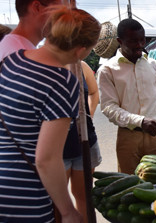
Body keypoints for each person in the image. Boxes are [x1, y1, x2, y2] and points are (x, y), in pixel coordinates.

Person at [0, 5, 100, 222]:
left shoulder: (12, 60)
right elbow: (46, 158)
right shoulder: (62, 81)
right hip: (24, 195)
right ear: (81, 50)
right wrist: (67, 211)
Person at [98, 18, 156, 175]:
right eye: (133, 41)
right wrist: (140, 121)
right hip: (128, 137)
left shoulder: (153, 65)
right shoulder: (108, 70)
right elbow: (109, 107)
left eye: (142, 40)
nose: (139, 45)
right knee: (130, 187)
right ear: (120, 41)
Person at [64, 61, 102, 222]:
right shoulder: (44, 64)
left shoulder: (81, 65)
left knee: (84, 196)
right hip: (58, 148)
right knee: (57, 202)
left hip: (85, 143)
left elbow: (94, 93)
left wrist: (89, 115)